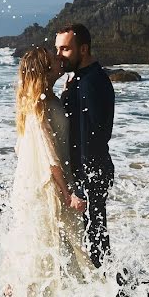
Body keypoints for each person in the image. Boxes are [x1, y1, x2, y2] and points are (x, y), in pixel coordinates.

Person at [3, 47, 95, 297]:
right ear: (45, 68)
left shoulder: (44, 97)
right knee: (42, 244)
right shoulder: (39, 103)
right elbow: (48, 155)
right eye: (54, 57)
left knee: (40, 242)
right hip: (45, 186)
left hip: (34, 184)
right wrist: (69, 195)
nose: (59, 58)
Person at [55, 23, 115, 268]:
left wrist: (80, 186)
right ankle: (103, 282)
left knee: (95, 235)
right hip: (90, 170)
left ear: (83, 49)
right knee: (93, 232)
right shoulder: (81, 78)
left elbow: (92, 138)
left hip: (91, 171)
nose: (59, 55)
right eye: (57, 49)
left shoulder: (91, 83)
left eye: (65, 49)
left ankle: (105, 284)